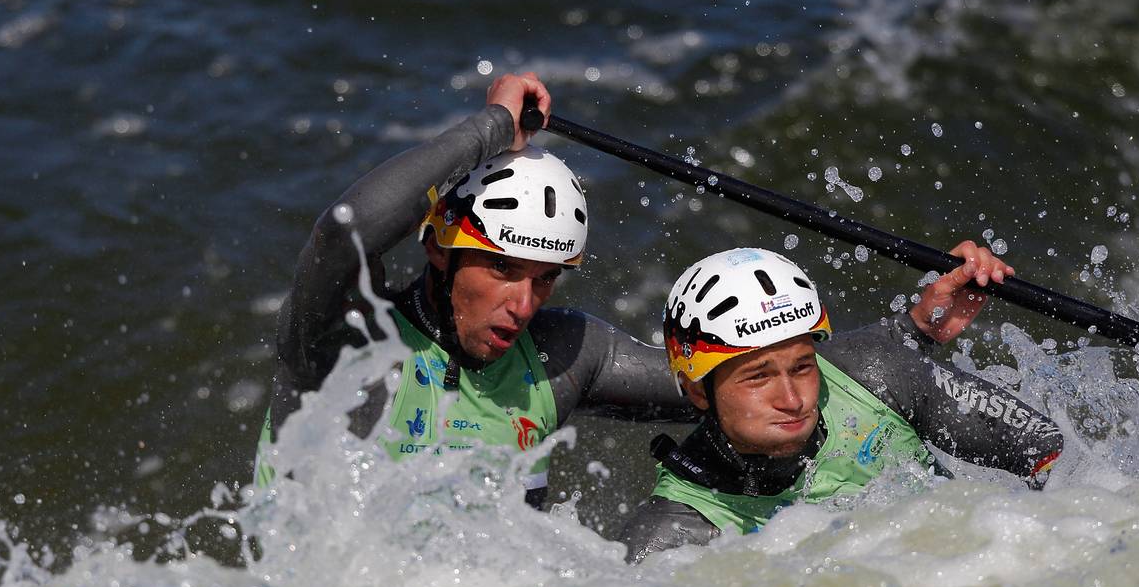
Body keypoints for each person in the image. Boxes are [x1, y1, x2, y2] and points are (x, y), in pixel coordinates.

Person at [256, 71, 1016, 507]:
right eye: (502, 270)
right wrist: (493, 128)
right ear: (440, 251)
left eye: (545, 278)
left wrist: (908, 334)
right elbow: (342, 230)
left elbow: (729, 378)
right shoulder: (344, 342)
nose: (523, 305)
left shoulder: (564, 355)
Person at [617, 248, 1064, 563]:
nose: (793, 401)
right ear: (697, 391)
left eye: (803, 367)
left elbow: (1054, 461)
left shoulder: (875, 374)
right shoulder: (672, 537)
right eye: (759, 376)